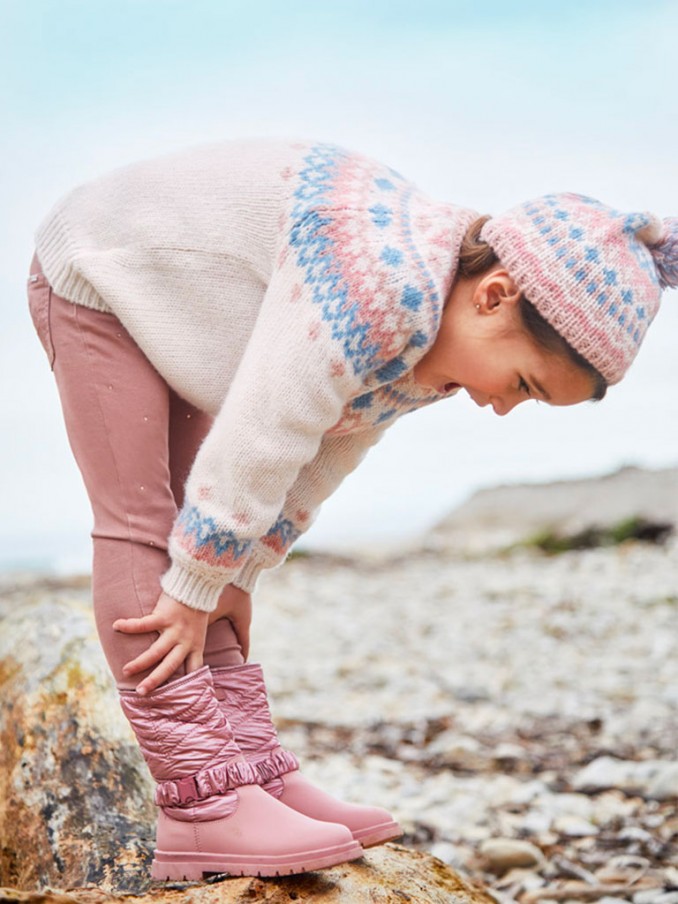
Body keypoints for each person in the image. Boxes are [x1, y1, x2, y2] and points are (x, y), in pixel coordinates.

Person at [27, 138, 677, 882]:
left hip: (189, 312)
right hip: (102, 270)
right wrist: (193, 584)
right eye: (525, 383)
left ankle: (253, 772)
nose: (503, 408)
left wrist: (243, 568)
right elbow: (267, 428)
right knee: (145, 526)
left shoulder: (434, 344)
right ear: (495, 293)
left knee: (206, 556)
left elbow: (324, 453)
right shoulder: (379, 283)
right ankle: (200, 804)